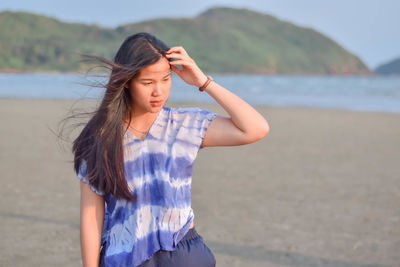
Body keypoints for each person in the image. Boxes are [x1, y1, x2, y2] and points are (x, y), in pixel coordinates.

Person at [73, 32, 269, 267]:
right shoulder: (100, 139)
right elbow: (91, 216)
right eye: (147, 83)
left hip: (184, 255)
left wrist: (203, 82)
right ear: (126, 82)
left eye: (166, 79)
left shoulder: (184, 124)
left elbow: (255, 129)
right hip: (126, 258)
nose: (159, 91)